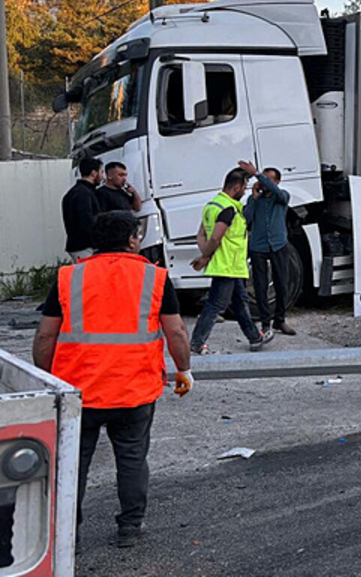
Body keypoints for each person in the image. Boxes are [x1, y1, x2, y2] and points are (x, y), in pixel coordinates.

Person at [31, 211, 193, 549]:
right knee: (132, 460)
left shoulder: (68, 278)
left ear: (96, 241)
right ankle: (130, 527)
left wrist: (47, 380)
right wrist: (183, 369)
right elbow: (176, 330)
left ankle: (67, 533)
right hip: (134, 390)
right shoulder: (155, 278)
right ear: (132, 240)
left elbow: (45, 337)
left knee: (73, 464)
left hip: (79, 392)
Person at [189, 168, 275, 355]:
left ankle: (254, 338)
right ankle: (196, 342)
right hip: (227, 265)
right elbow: (215, 238)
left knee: (240, 302)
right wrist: (205, 256)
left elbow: (201, 234)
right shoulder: (228, 209)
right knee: (215, 305)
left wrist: (205, 254)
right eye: (244, 187)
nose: (245, 191)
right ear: (236, 187)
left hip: (231, 266)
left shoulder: (212, 205)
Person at [242, 162, 296, 336]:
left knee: (282, 283)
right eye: (264, 179)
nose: (265, 183)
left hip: (278, 244)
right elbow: (246, 219)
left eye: (269, 180)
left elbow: (278, 193)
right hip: (258, 246)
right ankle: (265, 322)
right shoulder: (254, 199)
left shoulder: (282, 196)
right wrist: (254, 198)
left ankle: (280, 320)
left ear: (277, 182)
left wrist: (257, 174)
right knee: (260, 285)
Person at [62, 156, 103, 262]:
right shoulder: (84, 194)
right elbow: (87, 222)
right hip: (84, 248)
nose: (103, 177)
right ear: (94, 173)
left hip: (79, 246)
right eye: (101, 172)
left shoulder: (73, 193)